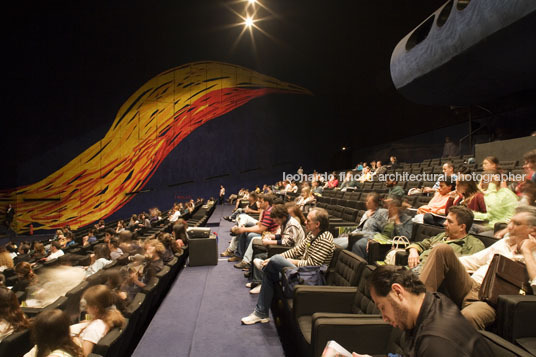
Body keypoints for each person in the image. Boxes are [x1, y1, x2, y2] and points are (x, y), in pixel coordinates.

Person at [419, 205, 536, 329]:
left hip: (490, 300)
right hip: (471, 284)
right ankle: (417, 306)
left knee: (468, 317)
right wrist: (441, 265)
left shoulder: (532, 254)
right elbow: (473, 261)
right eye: (510, 222)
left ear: (533, 230)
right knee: (442, 249)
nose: (510, 227)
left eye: (517, 224)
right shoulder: (504, 243)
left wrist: (527, 252)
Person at [367, 266, 492, 356]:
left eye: (382, 307)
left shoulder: (435, 343)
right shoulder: (434, 300)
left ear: (397, 292)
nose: (384, 318)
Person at [241, 208, 335, 325]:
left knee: (275, 261)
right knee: (272, 269)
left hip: (311, 278)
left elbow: (313, 264)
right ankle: (261, 313)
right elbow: (296, 250)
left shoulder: (325, 238)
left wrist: (288, 261)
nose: (305, 222)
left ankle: (265, 269)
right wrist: (276, 258)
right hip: (303, 272)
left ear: (317, 224)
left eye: (308, 221)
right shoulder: (312, 235)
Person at [407, 206, 485, 272]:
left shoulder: (472, 244)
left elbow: (470, 268)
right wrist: (413, 251)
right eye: (446, 219)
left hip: (429, 277)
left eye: (450, 221)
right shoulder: (443, 236)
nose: (444, 223)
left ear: (462, 227)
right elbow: (421, 244)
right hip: (411, 270)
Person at [71, 285, 125, 356]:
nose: (86, 309)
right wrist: (90, 321)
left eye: (87, 306)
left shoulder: (94, 329)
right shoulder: (111, 313)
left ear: (95, 308)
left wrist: (74, 340)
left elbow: (84, 354)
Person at [232, 194, 278, 269]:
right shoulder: (266, 211)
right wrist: (244, 229)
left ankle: (247, 262)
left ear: (266, 203)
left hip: (270, 234)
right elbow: (260, 225)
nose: (259, 204)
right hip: (266, 232)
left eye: (261, 202)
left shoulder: (269, 212)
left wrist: (245, 229)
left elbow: (261, 229)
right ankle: (240, 255)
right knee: (245, 231)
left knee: (251, 236)